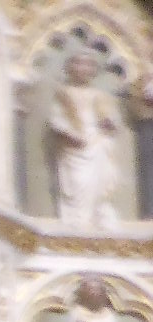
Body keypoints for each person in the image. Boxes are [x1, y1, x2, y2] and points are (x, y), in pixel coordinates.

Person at [49, 50, 124, 230]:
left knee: (101, 181)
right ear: (70, 68)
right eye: (78, 63)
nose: (83, 68)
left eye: (88, 65)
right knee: (80, 181)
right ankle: (79, 217)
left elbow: (113, 120)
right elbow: (56, 120)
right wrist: (69, 133)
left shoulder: (99, 95)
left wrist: (109, 123)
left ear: (94, 70)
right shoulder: (64, 94)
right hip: (75, 147)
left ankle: (99, 214)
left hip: (98, 143)